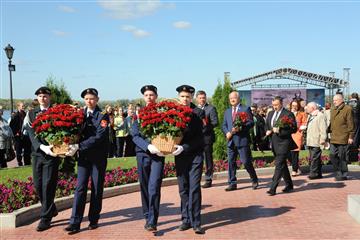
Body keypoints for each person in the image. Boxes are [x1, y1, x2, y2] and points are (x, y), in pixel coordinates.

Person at [64, 88, 109, 234]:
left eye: (92, 98)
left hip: (98, 157)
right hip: (83, 157)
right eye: (87, 99)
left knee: (96, 188)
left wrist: (79, 146)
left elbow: (99, 136)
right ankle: (75, 222)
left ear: (97, 99)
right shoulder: (79, 114)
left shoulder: (103, 116)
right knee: (80, 188)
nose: (89, 101)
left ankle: (93, 219)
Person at [24, 87, 60, 231]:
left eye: (45, 96)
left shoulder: (57, 112)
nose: (42, 98)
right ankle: (51, 207)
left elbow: (62, 131)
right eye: (40, 96)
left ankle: (45, 218)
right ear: (37, 98)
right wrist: (40, 147)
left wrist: (53, 147)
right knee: (38, 185)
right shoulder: (31, 113)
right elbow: (31, 133)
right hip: (38, 153)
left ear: (49, 98)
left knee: (48, 185)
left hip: (52, 154)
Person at [130, 85, 165, 232]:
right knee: (144, 186)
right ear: (143, 98)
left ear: (156, 96)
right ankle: (147, 215)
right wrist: (147, 146)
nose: (149, 97)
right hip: (143, 153)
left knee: (154, 186)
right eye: (146, 95)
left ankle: (152, 220)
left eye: (151, 95)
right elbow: (135, 135)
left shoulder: (163, 113)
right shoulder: (137, 115)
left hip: (158, 155)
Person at [172, 85, 205, 234]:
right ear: (179, 97)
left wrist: (184, 147)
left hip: (195, 155)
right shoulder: (173, 112)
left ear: (192, 98)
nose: (185, 99)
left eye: (188, 97)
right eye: (182, 96)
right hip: (180, 157)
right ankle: (186, 219)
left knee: (194, 188)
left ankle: (196, 222)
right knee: (183, 188)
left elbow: (200, 138)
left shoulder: (198, 113)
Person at [222, 91, 258, 191]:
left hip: (242, 140)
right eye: (230, 98)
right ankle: (232, 183)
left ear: (238, 98)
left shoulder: (245, 109)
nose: (232, 100)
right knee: (231, 162)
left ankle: (254, 178)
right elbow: (224, 125)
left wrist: (240, 128)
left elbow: (251, 123)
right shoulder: (227, 111)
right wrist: (227, 132)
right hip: (231, 141)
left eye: (234, 98)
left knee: (246, 162)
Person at [265, 96, 297, 196]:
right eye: (273, 105)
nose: (275, 107)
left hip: (284, 143)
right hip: (274, 143)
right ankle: (289, 184)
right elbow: (267, 125)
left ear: (281, 103)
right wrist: (268, 130)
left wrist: (280, 130)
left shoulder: (288, 114)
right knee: (282, 165)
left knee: (278, 164)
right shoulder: (270, 114)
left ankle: (272, 188)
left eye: (277, 105)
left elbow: (293, 129)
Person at [195, 90, 218, 188]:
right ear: (196, 99)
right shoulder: (194, 109)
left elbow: (215, 122)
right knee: (197, 160)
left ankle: (208, 179)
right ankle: (196, 179)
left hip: (206, 138)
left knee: (208, 159)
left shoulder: (211, 108)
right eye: (200, 98)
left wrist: (205, 126)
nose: (202, 99)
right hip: (195, 139)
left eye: (203, 97)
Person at [329, 94, 354, 181]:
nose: (334, 102)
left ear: (341, 100)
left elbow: (350, 124)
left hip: (343, 136)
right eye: (333, 100)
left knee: (342, 156)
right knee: (332, 155)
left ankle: (343, 174)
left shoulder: (348, 109)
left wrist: (351, 136)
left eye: (335, 100)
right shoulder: (333, 109)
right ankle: (338, 172)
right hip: (334, 137)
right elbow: (331, 123)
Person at [305, 102, 327, 179]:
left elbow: (323, 128)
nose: (306, 108)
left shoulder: (320, 115)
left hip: (317, 140)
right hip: (310, 140)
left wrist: (323, 139)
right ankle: (318, 173)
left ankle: (313, 174)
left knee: (314, 158)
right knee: (315, 158)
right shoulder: (310, 116)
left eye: (308, 107)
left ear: (313, 108)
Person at [289, 99, 307, 176]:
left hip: (297, 134)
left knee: (295, 152)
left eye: (296, 106)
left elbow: (304, 123)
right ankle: (296, 167)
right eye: (293, 105)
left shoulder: (302, 114)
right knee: (288, 153)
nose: (294, 107)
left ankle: (294, 170)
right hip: (288, 135)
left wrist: (301, 129)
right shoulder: (287, 113)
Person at [10, 102, 31, 166]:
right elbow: (11, 126)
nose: (23, 107)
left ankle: (27, 163)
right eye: (22, 106)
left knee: (27, 150)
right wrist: (15, 133)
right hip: (18, 136)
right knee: (18, 151)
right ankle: (20, 163)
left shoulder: (25, 114)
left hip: (25, 135)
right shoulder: (15, 115)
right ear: (18, 107)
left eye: (24, 106)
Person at [347, 92, 360, 162]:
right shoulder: (359, 103)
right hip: (357, 123)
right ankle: (354, 157)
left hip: (349, 122)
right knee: (356, 139)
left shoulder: (348, 103)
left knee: (350, 138)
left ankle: (349, 157)